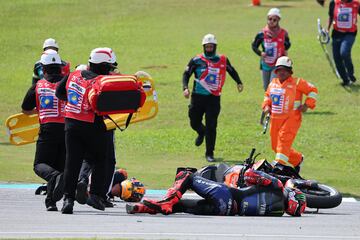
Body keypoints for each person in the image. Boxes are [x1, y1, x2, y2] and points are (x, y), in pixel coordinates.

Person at [56, 47, 117, 214]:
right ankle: (96, 196)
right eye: (110, 67)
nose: (111, 70)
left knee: (72, 161)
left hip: (71, 124)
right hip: (94, 124)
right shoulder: (102, 81)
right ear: (103, 65)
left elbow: (59, 93)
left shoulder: (73, 75)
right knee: (100, 159)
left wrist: (75, 103)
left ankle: (68, 200)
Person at [126, 169, 306, 217]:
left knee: (187, 176)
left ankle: (166, 201)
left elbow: (251, 175)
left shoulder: (276, 186)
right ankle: (142, 208)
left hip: (226, 194)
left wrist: (249, 175)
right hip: (225, 211)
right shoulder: (277, 213)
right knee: (180, 206)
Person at [182, 33, 244, 162]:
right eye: (207, 47)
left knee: (212, 125)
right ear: (203, 47)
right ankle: (201, 132)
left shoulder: (222, 59)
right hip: (197, 97)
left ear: (215, 47)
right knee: (194, 121)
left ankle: (209, 153)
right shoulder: (196, 60)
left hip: (213, 98)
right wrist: (185, 87)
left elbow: (231, 70)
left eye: (211, 46)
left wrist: (238, 82)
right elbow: (186, 74)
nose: (209, 49)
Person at [21, 50, 66, 211]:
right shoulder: (68, 83)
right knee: (58, 167)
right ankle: (51, 203)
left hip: (48, 129)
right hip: (68, 129)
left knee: (41, 165)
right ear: (60, 67)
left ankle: (55, 180)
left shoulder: (38, 86)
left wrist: (39, 110)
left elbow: (25, 109)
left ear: (43, 68)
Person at [262, 56, 318, 172]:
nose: (282, 72)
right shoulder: (272, 83)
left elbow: (313, 90)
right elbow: (267, 96)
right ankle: (297, 159)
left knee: (283, 139)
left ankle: (278, 165)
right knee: (275, 146)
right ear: (276, 71)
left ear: (290, 72)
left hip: (292, 118)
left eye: (285, 70)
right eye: (280, 70)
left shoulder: (298, 82)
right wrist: (266, 106)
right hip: (275, 119)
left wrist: (307, 105)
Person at [252, 8, 291, 91]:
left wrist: (284, 50)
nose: (272, 21)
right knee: (266, 88)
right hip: (265, 64)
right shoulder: (261, 34)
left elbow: (288, 44)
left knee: (273, 86)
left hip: (277, 64)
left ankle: (274, 103)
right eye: (270, 19)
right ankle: (268, 103)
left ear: (278, 20)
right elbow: (254, 46)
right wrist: (260, 53)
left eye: (274, 20)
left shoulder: (283, 33)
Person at [327, 0, 360, 86]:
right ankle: (345, 80)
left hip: (350, 34)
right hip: (336, 34)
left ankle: (350, 74)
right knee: (337, 58)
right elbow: (331, 16)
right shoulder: (333, 3)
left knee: (344, 52)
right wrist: (327, 29)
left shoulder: (356, 4)